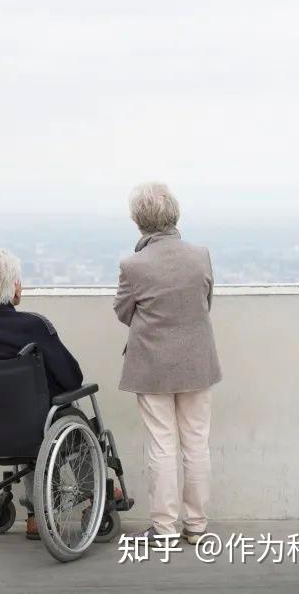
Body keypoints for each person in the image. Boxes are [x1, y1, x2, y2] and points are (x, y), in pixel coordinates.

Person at [0, 248, 83, 539]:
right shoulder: (32, 327)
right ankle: (90, 498)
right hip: (31, 429)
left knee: (26, 412)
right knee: (68, 418)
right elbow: (72, 378)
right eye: (18, 281)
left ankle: (38, 514)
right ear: (12, 287)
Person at [114, 182, 221, 546]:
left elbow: (123, 312)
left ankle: (164, 529)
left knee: (161, 445)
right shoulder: (201, 255)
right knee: (196, 443)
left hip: (152, 365)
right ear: (174, 214)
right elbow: (206, 300)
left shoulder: (133, 265)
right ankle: (197, 525)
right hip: (197, 362)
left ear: (138, 221)